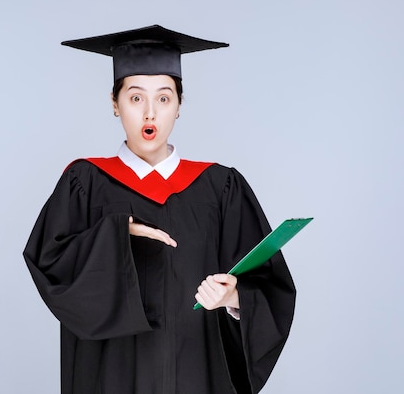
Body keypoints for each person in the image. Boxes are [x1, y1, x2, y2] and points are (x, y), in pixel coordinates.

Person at [23, 25, 296, 394]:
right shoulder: (84, 184)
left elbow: (269, 287)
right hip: (112, 378)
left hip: (198, 376)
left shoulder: (220, 188)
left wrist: (234, 297)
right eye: (136, 98)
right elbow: (50, 263)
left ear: (180, 106)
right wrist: (117, 235)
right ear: (115, 103)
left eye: (164, 99)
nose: (150, 112)